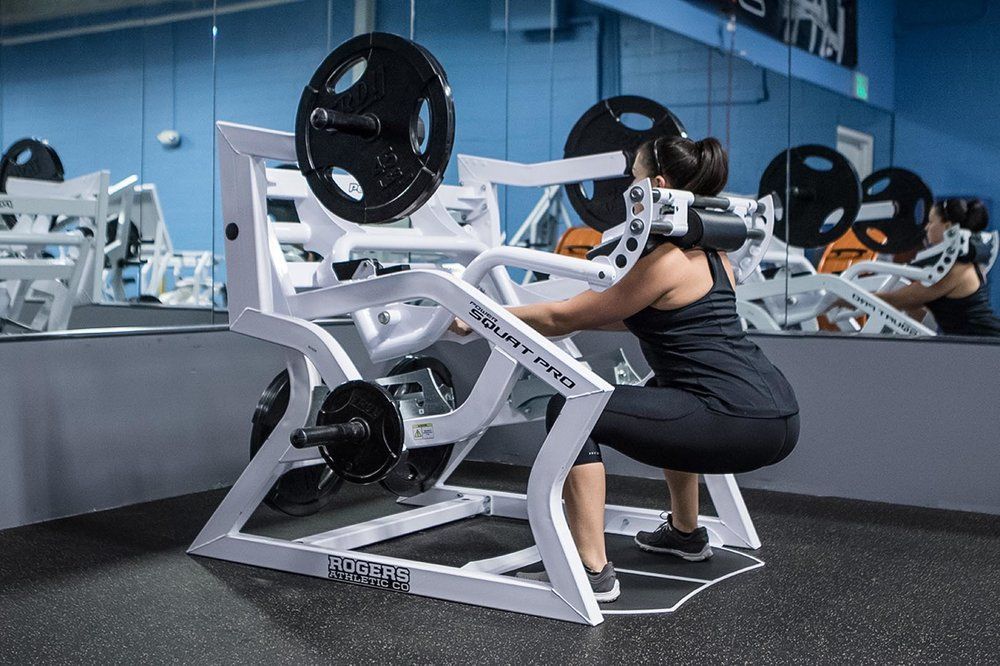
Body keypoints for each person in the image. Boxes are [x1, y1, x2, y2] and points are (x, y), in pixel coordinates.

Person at [450, 135, 800, 602]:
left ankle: (592, 571)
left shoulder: (666, 261)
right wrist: (530, 317)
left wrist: (480, 315)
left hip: (735, 418)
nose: (624, 191)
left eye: (631, 179)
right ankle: (685, 534)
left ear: (654, 186)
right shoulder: (713, 258)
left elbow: (564, 317)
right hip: (778, 412)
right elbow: (641, 317)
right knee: (665, 390)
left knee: (572, 409)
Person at [876, 198, 1000, 337]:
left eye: (930, 221)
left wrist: (848, 298)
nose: (926, 227)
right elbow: (916, 306)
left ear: (947, 227)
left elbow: (900, 299)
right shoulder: (964, 265)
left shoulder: (955, 270)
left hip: (990, 346)